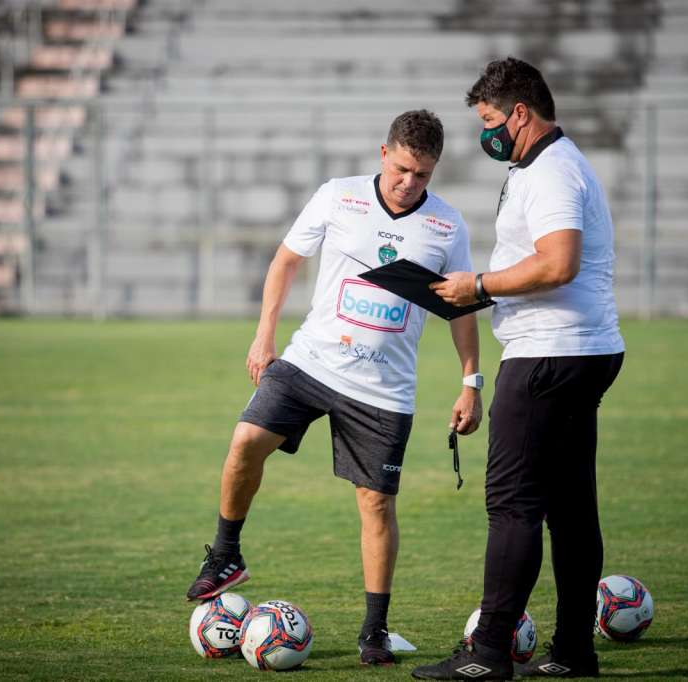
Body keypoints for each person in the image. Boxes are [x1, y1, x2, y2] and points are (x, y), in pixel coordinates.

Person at [186, 110, 485, 667]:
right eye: (401, 169)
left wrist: (471, 382)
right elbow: (285, 260)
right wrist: (263, 337)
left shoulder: (447, 226)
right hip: (311, 362)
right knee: (245, 441)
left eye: (422, 174)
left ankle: (375, 631)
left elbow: (461, 307)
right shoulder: (338, 197)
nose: (409, 183)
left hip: (384, 390)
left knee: (375, 503)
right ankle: (226, 554)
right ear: (383, 154)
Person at [412, 58, 626, 680]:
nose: (487, 133)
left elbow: (558, 263)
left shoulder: (553, 170)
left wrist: (480, 282)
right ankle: (573, 652)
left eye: (490, 121)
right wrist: (482, 293)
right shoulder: (543, 164)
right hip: (579, 349)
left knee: (512, 505)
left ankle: (487, 658)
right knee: (570, 508)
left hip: (548, 354)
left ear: (521, 114)